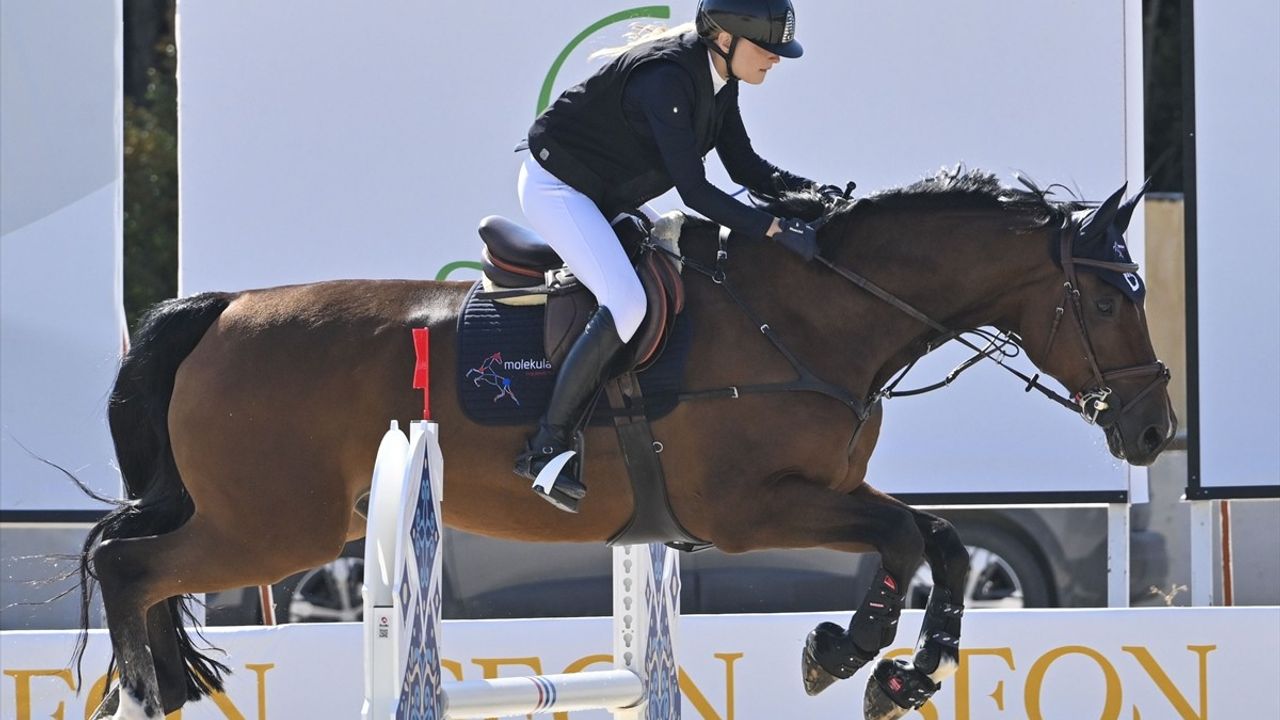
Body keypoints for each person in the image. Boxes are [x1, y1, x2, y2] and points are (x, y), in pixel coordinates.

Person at [515, 0, 836, 513]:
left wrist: (815, 194)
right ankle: (546, 447)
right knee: (626, 303)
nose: (776, 58)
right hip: (558, 187)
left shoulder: (719, 77)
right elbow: (695, 191)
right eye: (766, 48)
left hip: (604, 191)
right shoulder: (667, 80)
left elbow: (744, 166)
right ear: (725, 40)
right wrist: (773, 228)